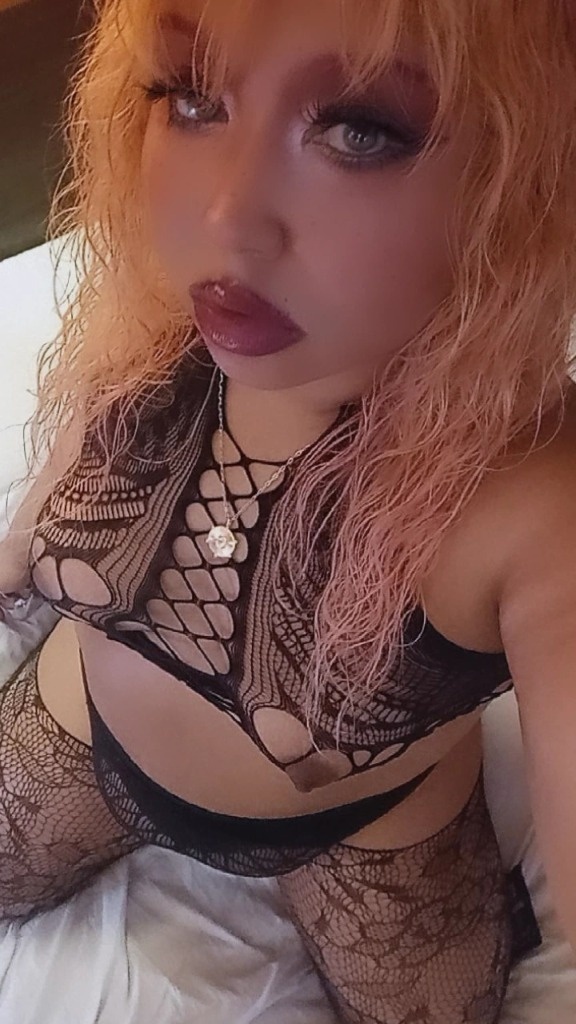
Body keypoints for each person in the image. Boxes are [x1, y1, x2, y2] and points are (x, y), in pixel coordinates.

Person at [1, 1, 576, 1021]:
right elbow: (70, 463)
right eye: (192, 96)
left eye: (361, 129)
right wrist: (18, 556)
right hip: (81, 735)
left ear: (530, 177)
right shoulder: (147, 314)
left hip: (370, 831)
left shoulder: (531, 495)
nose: (226, 217)